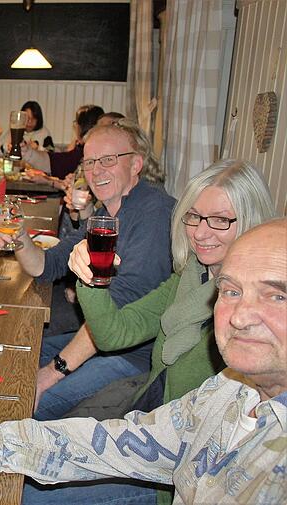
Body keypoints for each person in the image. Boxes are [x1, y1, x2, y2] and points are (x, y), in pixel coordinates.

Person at [0, 218, 287, 505]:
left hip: (132, 378)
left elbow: (115, 338)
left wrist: (53, 372)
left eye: (277, 295)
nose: (240, 315)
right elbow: (110, 443)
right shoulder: (228, 389)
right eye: (231, 291)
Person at [24, 160, 275, 504]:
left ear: (250, 223)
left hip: (171, 478)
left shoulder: (257, 321)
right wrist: (92, 278)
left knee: (31, 493)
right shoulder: (190, 276)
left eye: (220, 220)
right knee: (36, 454)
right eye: (194, 217)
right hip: (148, 422)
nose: (201, 232)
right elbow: (114, 333)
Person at [0, 120, 176, 421]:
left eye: (108, 160)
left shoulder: (154, 215)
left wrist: (51, 374)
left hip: (131, 359)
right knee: (13, 356)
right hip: (99, 342)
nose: (96, 170)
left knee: (23, 403)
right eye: (89, 162)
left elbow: (115, 316)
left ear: (135, 164)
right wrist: (18, 235)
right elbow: (45, 266)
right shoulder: (107, 213)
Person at [23, 104, 104, 179]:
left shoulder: (84, 152)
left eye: (76, 122)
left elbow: (56, 161)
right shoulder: (82, 149)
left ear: (82, 127)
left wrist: (27, 152)